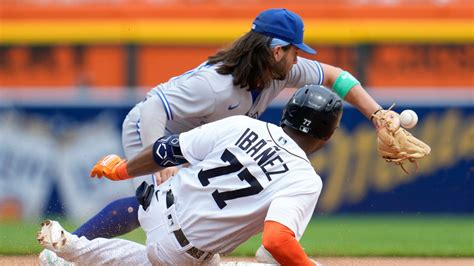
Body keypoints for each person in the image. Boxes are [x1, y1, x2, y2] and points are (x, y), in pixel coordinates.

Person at [39, 7, 383, 265]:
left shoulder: (281, 73)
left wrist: (379, 116)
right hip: (155, 129)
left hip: (197, 138)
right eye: (295, 49)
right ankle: (67, 250)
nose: (299, 58)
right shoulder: (216, 85)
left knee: (170, 218)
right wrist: (155, 166)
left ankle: (71, 247)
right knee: (151, 202)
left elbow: (337, 77)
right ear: (276, 50)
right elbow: (153, 106)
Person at [37, 85, 342, 266]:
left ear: (287, 112)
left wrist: (121, 169)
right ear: (328, 135)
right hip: (183, 252)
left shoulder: (244, 126)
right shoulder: (304, 179)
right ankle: (74, 249)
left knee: (178, 257)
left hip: (155, 203)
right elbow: (275, 242)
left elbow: (166, 150)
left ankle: (69, 250)